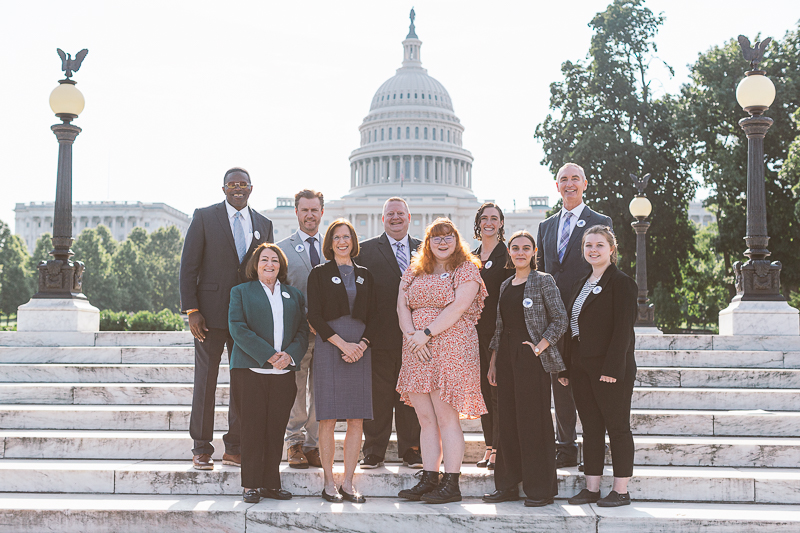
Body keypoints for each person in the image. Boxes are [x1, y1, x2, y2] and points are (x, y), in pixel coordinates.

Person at [180, 167, 274, 470]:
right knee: (205, 382)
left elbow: (267, 271)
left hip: (247, 318)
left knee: (243, 384)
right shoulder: (205, 217)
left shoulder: (264, 223)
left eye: (242, 184)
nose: (238, 189)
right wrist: (192, 309)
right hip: (209, 315)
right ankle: (201, 447)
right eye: (232, 184)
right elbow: (188, 266)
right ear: (223, 188)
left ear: (250, 188)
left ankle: (235, 447)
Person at [396, 218, 488, 504]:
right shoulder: (414, 269)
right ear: (428, 242)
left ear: (457, 240)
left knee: (447, 418)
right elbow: (401, 304)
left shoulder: (465, 269)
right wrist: (413, 336)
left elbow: (460, 306)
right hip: (415, 348)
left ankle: (451, 482)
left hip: (451, 346)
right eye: (436, 237)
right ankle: (429, 476)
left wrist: (426, 333)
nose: (443, 242)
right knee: (425, 419)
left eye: (448, 237)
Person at [535, 162, 612, 469]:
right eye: (563, 179)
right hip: (555, 321)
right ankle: (565, 447)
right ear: (557, 187)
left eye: (575, 179)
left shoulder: (600, 221)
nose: (569, 184)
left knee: (590, 386)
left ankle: (593, 448)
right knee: (560, 385)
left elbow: (605, 268)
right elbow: (542, 273)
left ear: (585, 184)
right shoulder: (547, 226)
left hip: (587, 316)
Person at [483, 231, 567, 507]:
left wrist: (540, 346)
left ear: (534, 253)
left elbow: (560, 320)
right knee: (506, 421)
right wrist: (494, 361)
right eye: (515, 248)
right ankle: (507, 485)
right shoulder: (506, 284)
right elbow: (499, 327)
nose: (520, 252)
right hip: (506, 357)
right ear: (509, 252)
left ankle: (540, 489)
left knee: (534, 422)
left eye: (526, 248)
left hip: (531, 358)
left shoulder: (543, 281)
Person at [561, 225, 637, 507]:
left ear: (611, 249)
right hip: (581, 365)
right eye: (588, 245)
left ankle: (621, 491)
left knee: (617, 428)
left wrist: (612, 369)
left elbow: (622, 331)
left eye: (599, 245)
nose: (593, 250)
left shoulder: (622, 283)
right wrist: (566, 368)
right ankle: (591, 488)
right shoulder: (582, 282)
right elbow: (572, 328)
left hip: (610, 368)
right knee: (590, 428)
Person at [228, 243, 309, 503]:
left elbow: (301, 332)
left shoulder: (293, 295)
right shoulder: (241, 292)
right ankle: (251, 484)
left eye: (275, 260)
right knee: (252, 429)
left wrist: (289, 355)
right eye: (264, 260)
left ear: (281, 266)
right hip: (251, 372)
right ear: (256, 264)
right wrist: (268, 355)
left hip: (283, 374)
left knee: (275, 430)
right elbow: (238, 328)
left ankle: (271, 484)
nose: (269, 264)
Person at [307, 218, 377, 503]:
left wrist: (359, 345)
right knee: (327, 417)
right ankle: (328, 482)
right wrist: (342, 344)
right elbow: (314, 316)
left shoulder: (366, 275)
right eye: (336, 237)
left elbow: (375, 316)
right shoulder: (319, 273)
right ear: (330, 242)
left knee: (356, 418)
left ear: (353, 240)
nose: (342, 241)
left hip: (360, 348)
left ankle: (348, 482)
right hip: (330, 345)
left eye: (346, 236)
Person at [357, 197, 422, 470]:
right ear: (383, 219)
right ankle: (373, 450)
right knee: (379, 395)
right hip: (379, 334)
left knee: (412, 395)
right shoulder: (366, 250)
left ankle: (412, 449)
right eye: (390, 214)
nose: (396, 218)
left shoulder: (425, 249)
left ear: (409, 217)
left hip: (417, 338)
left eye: (400, 213)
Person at [276, 190, 325, 469]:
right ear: (296, 212)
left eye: (314, 210)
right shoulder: (282, 249)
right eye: (304, 210)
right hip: (297, 333)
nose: (309, 215)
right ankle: (293, 442)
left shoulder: (332, 246)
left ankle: (313, 445)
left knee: (321, 391)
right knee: (295, 390)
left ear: (321, 212)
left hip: (328, 335)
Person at [472, 202, 513, 470]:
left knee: (497, 389)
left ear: (500, 223)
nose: (489, 222)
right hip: (473, 333)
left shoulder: (508, 255)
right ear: (478, 223)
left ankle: (500, 447)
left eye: (494, 218)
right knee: (483, 392)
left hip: (499, 332)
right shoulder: (471, 256)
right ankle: (489, 446)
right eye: (484, 218)